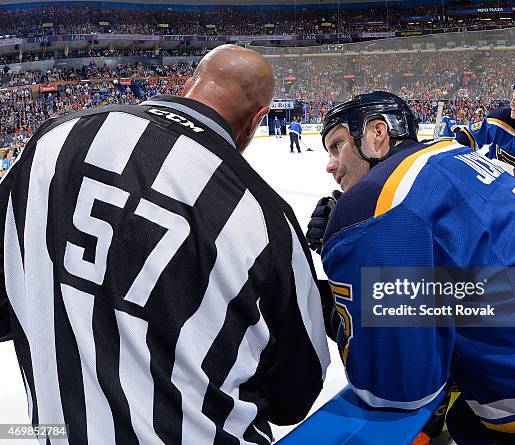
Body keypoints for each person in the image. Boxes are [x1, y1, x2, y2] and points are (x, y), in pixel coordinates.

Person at [0, 44, 330, 444]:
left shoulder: (52, 141)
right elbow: (294, 393)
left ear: (188, 84)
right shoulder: (265, 217)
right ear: (258, 119)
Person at [308, 91, 515, 444]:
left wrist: (340, 290)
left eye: (337, 145)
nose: (330, 164)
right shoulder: (455, 154)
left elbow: (400, 387)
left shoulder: (376, 201)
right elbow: (473, 282)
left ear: (377, 133)